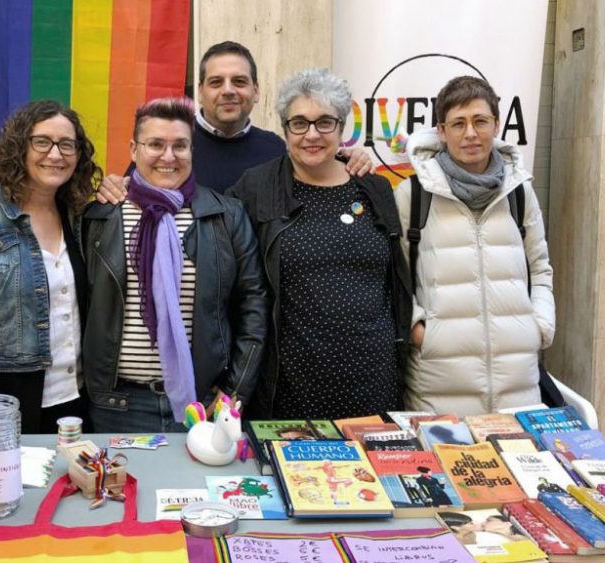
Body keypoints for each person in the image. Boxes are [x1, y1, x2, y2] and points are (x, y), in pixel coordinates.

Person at [229, 68, 413, 420]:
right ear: (284, 129)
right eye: (299, 123)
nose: (311, 134)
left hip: (373, 379)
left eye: (324, 122)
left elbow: (397, 283)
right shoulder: (256, 188)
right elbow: (208, 229)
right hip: (294, 383)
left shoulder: (374, 189)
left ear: (342, 128)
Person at [81, 97, 268, 433]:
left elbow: (253, 305)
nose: (168, 157)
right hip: (117, 407)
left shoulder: (225, 215)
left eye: (180, 145)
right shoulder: (100, 215)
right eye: (155, 144)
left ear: (192, 151)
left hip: (204, 403)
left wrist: (233, 392)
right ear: (133, 149)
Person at [395, 76, 555, 416]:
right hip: (438, 387)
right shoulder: (414, 195)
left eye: (480, 121)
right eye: (458, 123)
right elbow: (394, 280)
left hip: (518, 390)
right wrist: (421, 333)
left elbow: (540, 268)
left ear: (496, 125)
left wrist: (538, 327)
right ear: (441, 131)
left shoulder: (519, 193)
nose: (470, 133)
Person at [0, 100, 100, 434]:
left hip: (78, 399)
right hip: (11, 399)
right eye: (42, 142)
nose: (56, 154)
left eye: (67, 144)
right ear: (20, 147)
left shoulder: (79, 218)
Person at [95, 41, 373, 201]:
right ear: (201, 92)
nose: (228, 90)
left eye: (239, 81)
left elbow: (316, 173)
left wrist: (346, 158)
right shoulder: (170, 147)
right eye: (216, 82)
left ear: (256, 91)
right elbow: (128, 191)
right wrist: (112, 186)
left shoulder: (276, 149)